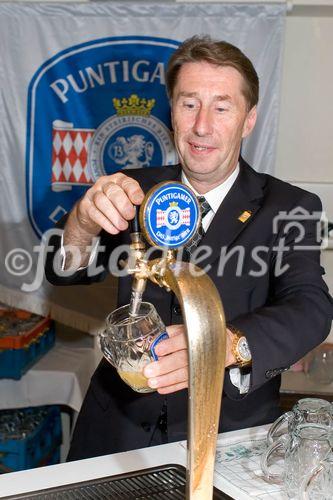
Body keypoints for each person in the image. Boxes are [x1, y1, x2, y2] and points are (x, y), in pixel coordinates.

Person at [45, 36, 333, 460]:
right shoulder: (134, 188)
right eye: (189, 104)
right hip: (115, 434)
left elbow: (311, 307)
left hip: (227, 438)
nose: (202, 126)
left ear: (248, 120)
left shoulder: (289, 207)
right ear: (172, 112)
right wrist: (81, 223)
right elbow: (64, 268)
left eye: (221, 107)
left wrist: (225, 345)